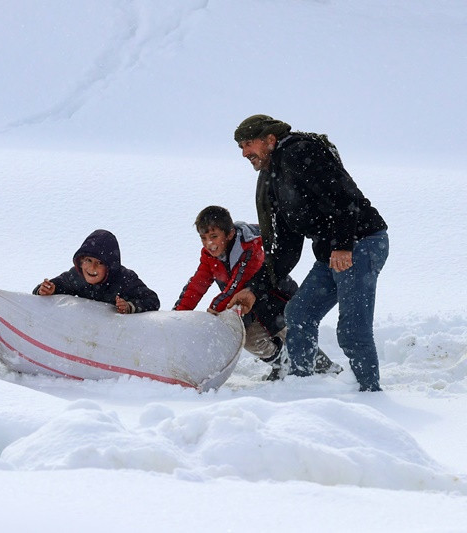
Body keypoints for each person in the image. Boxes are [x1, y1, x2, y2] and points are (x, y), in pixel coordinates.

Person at [228, 115, 389, 391]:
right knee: (299, 315)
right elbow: (286, 250)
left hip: (360, 244)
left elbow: (343, 197)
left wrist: (342, 245)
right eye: (240, 146)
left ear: (270, 139)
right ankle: (302, 387)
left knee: (352, 331)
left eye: (248, 144)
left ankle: (370, 396)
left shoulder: (301, 152)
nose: (244, 153)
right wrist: (254, 289)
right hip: (332, 253)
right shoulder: (274, 177)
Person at [173, 206, 340, 380]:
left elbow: (238, 282)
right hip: (244, 305)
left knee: (292, 335)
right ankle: (281, 364)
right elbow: (197, 284)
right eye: (203, 238)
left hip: (275, 299)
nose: (209, 244)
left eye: (214, 237)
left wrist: (215, 309)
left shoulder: (250, 247)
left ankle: (327, 369)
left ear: (229, 234)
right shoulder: (209, 256)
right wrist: (178, 315)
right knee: (250, 339)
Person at [33, 229, 160, 314]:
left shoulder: (125, 280)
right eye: (88, 260)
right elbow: (51, 288)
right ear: (81, 261)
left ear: (110, 266)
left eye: (100, 263)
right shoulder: (76, 277)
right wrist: (45, 290)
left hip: (119, 337)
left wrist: (129, 307)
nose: (92, 267)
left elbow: (152, 300)